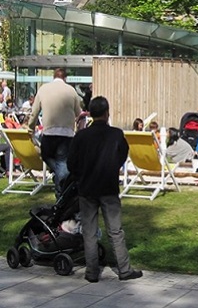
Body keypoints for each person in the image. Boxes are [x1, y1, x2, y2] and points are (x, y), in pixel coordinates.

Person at [67, 96, 143, 283]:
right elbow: (122, 156)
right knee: (115, 230)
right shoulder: (116, 135)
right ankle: (124, 269)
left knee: (89, 231)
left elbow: (71, 163)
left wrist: (81, 175)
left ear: (91, 114)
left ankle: (92, 271)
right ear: (107, 113)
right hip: (108, 187)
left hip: (87, 188)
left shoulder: (81, 136)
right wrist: (112, 167)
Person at [28, 68, 83, 198]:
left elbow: (34, 112)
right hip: (66, 134)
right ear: (65, 78)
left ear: (53, 77)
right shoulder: (71, 91)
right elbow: (79, 114)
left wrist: (30, 128)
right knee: (62, 165)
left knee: (47, 156)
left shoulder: (43, 89)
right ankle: (62, 186)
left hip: (49, 132)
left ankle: (60, 191)